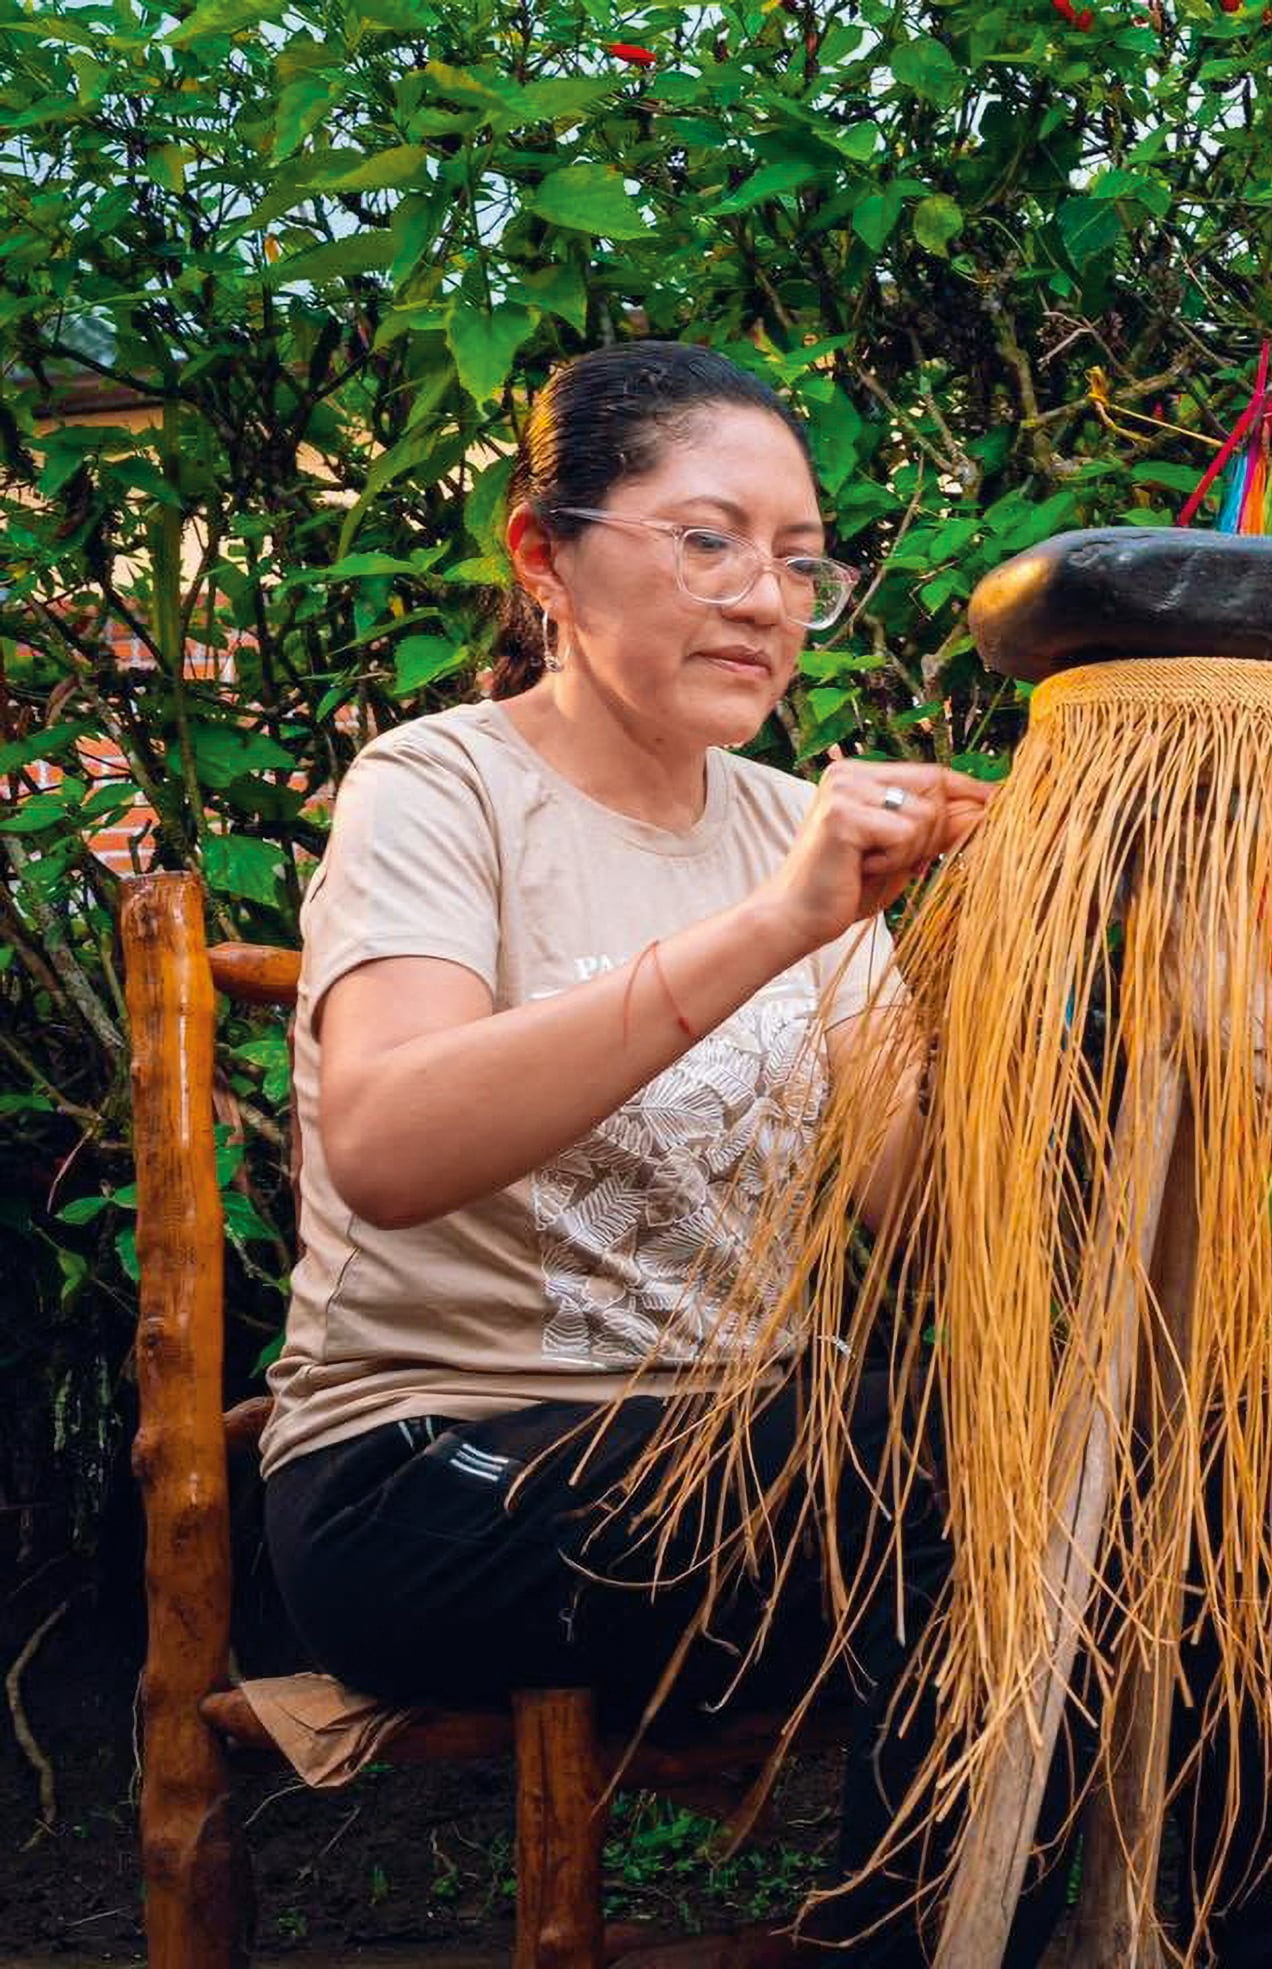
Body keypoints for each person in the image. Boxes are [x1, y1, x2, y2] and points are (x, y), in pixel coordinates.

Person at [258, 339, 996, 1962]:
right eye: (707, 540)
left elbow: (941, 1226)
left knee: (1152, 1467)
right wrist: (776, 926)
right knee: (955, 1481)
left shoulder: (788, 825)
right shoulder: (437, 788)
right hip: (435, 1479)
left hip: (748, 1471)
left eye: (800, 562)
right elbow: (384, 1143)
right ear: (545, 555)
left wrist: (1087, 966)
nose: (765, 600)